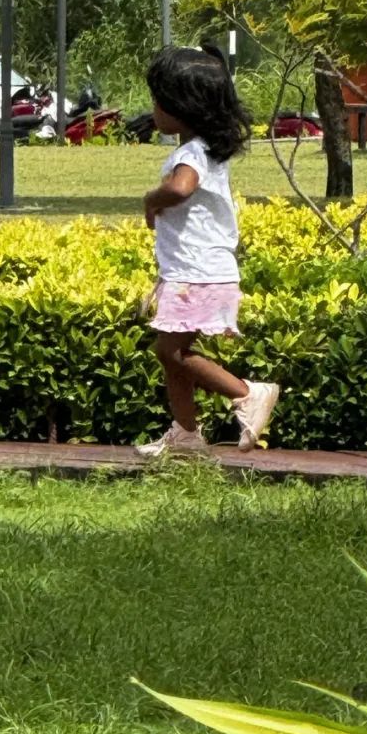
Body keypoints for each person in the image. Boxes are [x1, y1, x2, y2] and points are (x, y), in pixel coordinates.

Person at [135, 43, 280, 457]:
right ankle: (185, 434)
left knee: (171, 350)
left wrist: (151, 200)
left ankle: (246, 393)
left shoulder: (192, 153)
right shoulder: (208, 150)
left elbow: (180, 188)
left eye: (159, 100)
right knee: (172, 351)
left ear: (184, 107)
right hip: (196, 269)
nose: (155, 108)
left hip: (195, 272)